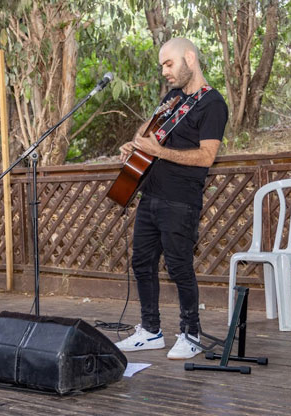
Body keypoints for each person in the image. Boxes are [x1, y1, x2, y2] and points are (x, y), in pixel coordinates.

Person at [114, 38, 228, 359]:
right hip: (150, 194)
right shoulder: (172, 98)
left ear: (189, 58)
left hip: (181, 199)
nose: (165, 71)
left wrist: (160, 151)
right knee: (141, 263)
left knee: (179, 267)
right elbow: (145, 135)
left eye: (169, 64)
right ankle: (150, 331)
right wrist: (133, 146)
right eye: (162, 66)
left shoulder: (213, 104)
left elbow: (207, 156)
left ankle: (190, 334)